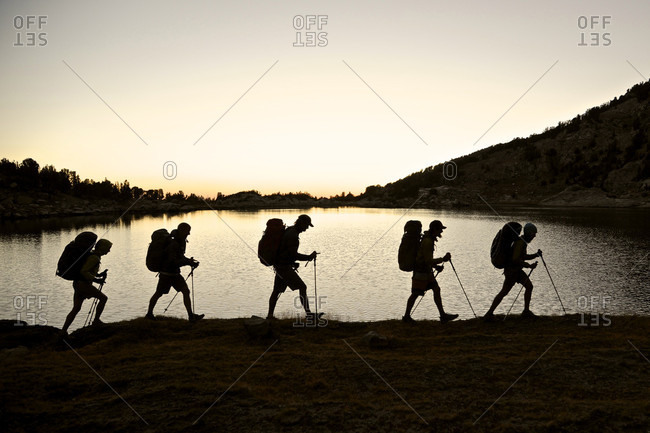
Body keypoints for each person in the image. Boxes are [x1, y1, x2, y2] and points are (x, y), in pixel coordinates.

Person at [146, 222, 204, 322]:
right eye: (187, 231)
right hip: (166, 274)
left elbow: (180, 257)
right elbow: (173, 261)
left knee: (186, 291)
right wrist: (188, 262)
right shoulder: (173, 243)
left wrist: (189, 261)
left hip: (174, 273)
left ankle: (191, 316)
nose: (189, 233)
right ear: (181, 230)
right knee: (159, 293)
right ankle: (149, 314)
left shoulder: (181, 241)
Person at [403, 220, 458, 324]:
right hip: (421, 272)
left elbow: (426, 259)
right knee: (415, 294)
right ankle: (406, 316)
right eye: (440, 229)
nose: (441, 232)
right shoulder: (428, 241)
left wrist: (436, 267)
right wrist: (443, 259)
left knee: (436, 289)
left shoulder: (429, 239)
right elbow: (427, 260)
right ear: (435, 229)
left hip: (426, 272)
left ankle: (443, 315)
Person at [484, 222, 541, 320]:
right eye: (533, 234)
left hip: (516, 271)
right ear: (529, 233)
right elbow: (515, 259)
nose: (534, 236)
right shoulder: (520, 242)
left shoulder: (522, 241)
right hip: (512, 272)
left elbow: (522, 256)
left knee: (529, 286)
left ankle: (526, 311)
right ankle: (489, 313)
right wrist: (528, 266)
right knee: (504, 292)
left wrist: (535, 255)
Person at [267, 214, 319, 320]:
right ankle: (309, 314)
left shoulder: (290, 230)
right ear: (301, 223)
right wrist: (308, 257)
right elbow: (293, 254)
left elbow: (286, 252)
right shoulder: (293, 235)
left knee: (276, 291)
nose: (307, 228)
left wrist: (292, 262)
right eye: (306, 225)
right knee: (302, 287)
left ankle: (270, 316)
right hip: (284, 267)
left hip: (280, 265)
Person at [62, 239, 112, 333]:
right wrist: (97, 280)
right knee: (103, 298)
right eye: (108, 248)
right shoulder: (94, 258)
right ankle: (96, 321)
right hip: (83, 285)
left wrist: (99, 275)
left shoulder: (93, 256)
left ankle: (63, 330)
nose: (109, 251)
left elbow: (88, 271)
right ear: (103, 247)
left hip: (77, 284)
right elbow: (84, 272)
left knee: (76, 308)